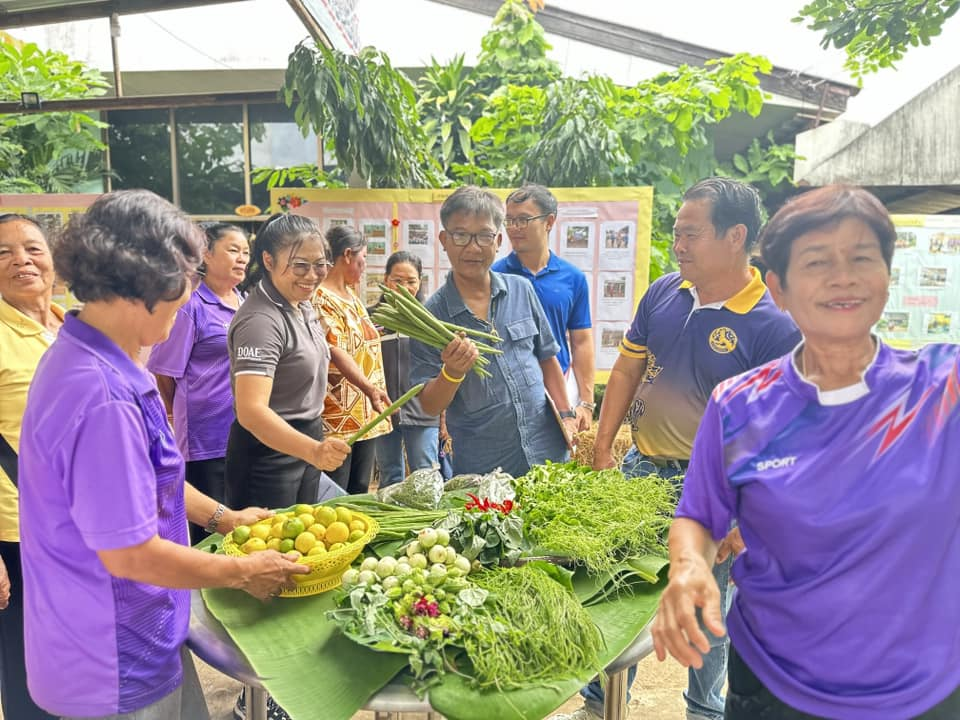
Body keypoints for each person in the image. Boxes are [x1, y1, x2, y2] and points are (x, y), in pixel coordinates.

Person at [653, 185, 960, 719]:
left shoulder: (942, 388)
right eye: (818, 262)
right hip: (777, 686)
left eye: (862, 258)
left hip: (925, 688)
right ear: (780, 287)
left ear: (887, 279)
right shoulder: (741, 406)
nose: (843, 277)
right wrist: (687, 568)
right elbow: (700, 517)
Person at [17, 190, 310, 720]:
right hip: (110, 657)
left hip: (139, 633)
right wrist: (243, 570)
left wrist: (224, 518)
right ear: (149, 281)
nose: (188, 297)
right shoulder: (99, 394)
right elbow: (131, 554)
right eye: (187, 279)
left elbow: (154, 480)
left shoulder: (99, 357)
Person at [556, 178, 801, 720]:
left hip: (714, 489)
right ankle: (600, 703)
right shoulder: (665, 292)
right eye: (676, 232)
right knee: (617, 588)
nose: (679, 245)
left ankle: (704, 711)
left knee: (707, 608)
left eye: (691, 234)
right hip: (641, 475)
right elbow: (627, 367)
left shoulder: (773, 322)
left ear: (735, 236)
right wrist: (602, 449)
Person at [409, 185, 577, 477]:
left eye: (484, 236)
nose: (473, 247)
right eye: (461, 235)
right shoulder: (430, 317)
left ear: (498, 240)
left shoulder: (521, 290)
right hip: (485, 467)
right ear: (444, 240)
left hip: (548, 453)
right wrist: (452, 373)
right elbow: (428, 404)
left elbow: (548, 360)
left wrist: (567, 415)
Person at [225, 214, 389, 512]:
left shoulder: (300, 305)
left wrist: (366, 386)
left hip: (307, 435)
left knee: (304, 540)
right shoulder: (260, 321)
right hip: (269, 451)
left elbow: (325, 349)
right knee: (272, 548)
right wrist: (313, 451)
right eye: (300, 265)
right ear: (269, 260)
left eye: (320, 265)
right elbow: (251, 411)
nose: (312, 275)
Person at [148, 222, 250, 545]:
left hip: (243, 432)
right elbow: (165, 372)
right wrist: (180, 417)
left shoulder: (247, 304)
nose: (241, 258)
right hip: (204, 439)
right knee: (212, 530)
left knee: (240, 522)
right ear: (206, 254)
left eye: (246, 252)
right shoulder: (192, 306)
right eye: (233, 250)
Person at [0, 213, 60, 720]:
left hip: (78, 526)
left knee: (73, 658)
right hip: (17, 532)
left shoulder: (71, 325)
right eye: (4, 253)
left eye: (33, 248)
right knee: (27, 668)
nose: (21, 259)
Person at [493, 183, 595, 431]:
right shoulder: (493, 276)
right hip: (506, 394)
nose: (514, 228)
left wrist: (587, 403)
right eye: (509, 220)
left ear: (549, 222)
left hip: (557, 392)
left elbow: (581, 342)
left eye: (524, 220)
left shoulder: (572, 278)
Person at [313, 225, 391, 493]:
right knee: (337, 492)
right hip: (338, 415)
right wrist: (368, 387)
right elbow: (335, 349)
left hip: (364, 412)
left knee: (359, 490)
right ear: (347, 254)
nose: (364, 265)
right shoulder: (319, 297)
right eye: (364, 257)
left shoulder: (352, 298)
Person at [368, 251, 442, 487]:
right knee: (390, 477)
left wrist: (444, 418)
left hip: (422, 411)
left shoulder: (430, 319)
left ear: (420, 281)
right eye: (397, 281)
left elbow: (441, 370)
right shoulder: (372, 317)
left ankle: (428, 522)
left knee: (425, 476)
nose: (404, 287)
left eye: (411, 281)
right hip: (383, 409)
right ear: (386, 279)